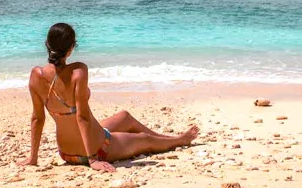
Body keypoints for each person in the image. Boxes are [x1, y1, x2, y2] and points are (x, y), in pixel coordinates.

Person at [17, 23, 199, 172]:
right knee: (145, 139)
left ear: (47, 44)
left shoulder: (36, 75)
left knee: (125, 116)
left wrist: (33, 158)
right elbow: (82, 117)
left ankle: (165, 137)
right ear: (71, 48)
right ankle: (178, 140)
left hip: (66, 152)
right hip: (98, 148)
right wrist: (93, 159)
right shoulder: (78, 71)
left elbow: (37, 118)